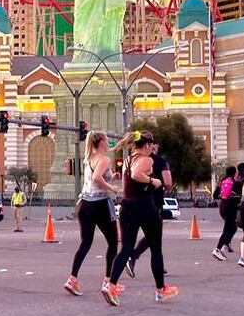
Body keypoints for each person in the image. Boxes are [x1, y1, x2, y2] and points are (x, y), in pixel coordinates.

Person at [103, 130, 177, 306]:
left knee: (126, 248)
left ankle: (111, 285)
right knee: (156, 248)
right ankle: (161, 290)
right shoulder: (146, 159)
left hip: (127, 206)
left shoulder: (129, 159)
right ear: (146, 145)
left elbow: (130, 178)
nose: (153, 149)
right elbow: (137, 175)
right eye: (151, 146)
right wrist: (153, 182)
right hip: (144, 206)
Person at [65, 131, 119, 296]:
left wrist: (111, 178)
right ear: (101, 142)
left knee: (86, 243)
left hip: (85, 205)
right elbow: (97, 178)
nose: (108, 142)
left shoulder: (90, 158)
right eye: (106, 140)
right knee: (113, 242)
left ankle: (72, 279)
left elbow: (96, 179)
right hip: (99, 205)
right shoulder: (104, 159)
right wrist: (112, 188)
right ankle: (108, 281)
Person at [125, 142, 171, 278]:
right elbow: (168, 181)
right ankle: (133, 256)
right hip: (153, 201)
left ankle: (115, 275)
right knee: (155, 235)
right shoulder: (160, 162)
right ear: (151, 147)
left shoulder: (132, 159)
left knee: (136, 235)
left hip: (132, 200)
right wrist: (164, 187)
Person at [212, 165, 242, 260]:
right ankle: (218, 249)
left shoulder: (222, 182)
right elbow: (242, 195)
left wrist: (224, 196)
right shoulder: (236, 184)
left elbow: (215, 195)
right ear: (234, 173)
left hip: (223, 207)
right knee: (230, 229)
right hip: (232, 208)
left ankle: (223, 248)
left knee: (231, 228)